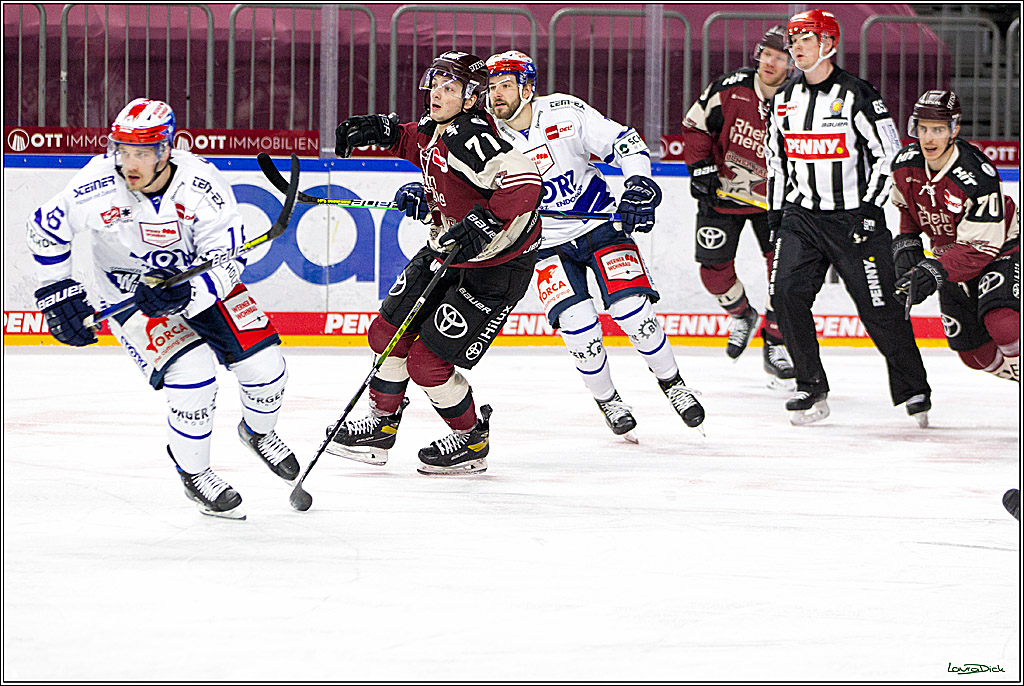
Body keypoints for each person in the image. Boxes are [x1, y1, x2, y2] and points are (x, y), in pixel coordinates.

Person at [27, 98, 298, 520]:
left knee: (266, 369)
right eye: (123, 151)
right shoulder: (96, 183)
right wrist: (56, 290)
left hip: (193, 281)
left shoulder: (201, 185)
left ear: (165, 150)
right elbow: (45, 226)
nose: (129, 163)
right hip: (124, 289)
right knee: (194, 375)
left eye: (141, 152)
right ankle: (195, 473)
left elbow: (229, 262)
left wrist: (189, 295)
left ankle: (257, 432)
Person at [327, 50, 543, 475]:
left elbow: (527, 181)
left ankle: (470, 438)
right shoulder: (437, 128)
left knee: (428, 363)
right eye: (436, 85)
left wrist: (485, 220)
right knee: (386, 333)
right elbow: (416, 140)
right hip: (448, 249)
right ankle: (379, 429)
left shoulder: (473, 136)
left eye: (450, 87)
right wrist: (383, 130)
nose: (437, 94)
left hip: (496, 265)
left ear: (470, 98)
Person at [481, 49, 705, 443]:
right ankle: (609, 400)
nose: (496, 95)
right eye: (492, 87)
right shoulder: (485, 135)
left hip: (599, 225)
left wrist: (638, 183)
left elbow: (625, 141)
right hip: (543, 243)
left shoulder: (564, 112)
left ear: (527, 88)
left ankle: (674, 383)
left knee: (633, 311)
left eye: (505, 85)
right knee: (577, 326)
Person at [764, 9, 932, 426]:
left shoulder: (859, 95)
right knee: (786, 294)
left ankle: (914, 389)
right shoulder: (784, 98)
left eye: (806, 38)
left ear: (828, 44)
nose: (796, 47)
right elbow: (777, 161)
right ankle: (810, 386)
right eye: (793, 39)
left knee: (880, 308)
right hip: (802, 217)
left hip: (855, 219)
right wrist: (775, 214)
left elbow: (888, 155)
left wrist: (872, 210)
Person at [683, 26, 797, 390]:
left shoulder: (801, 97)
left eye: (781, 57)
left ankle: (776, 342)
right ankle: (742, 314)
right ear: (758, 54)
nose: (771, 62)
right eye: (767, 53)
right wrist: (701, 168)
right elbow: (696, 125)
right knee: (713, 273)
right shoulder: (731, 87)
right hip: (724, 194)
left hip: (777, 202)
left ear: (792, 64)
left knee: (784, 275)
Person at [890, 90, 1019, 383]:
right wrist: (908, 241)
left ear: (954, 130)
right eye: (923, 128)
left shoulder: (977, 175)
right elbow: (907, 207)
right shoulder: (904, 165)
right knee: (972, 353)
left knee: (1003, 324)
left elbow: (981, 247)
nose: (929, 138)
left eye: (938, 129)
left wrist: (934, 269)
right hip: (950, 258)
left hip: (1002, 247)